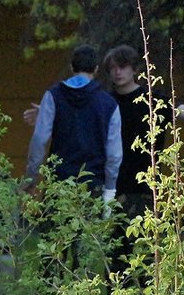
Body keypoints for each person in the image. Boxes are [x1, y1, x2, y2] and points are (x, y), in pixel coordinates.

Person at [25, 44, 184, 211]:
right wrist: (48, 114)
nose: (117, 73)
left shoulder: (150, 100)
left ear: (134, 69)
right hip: (111, 186)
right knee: (113, 257)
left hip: (143, 187)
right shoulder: (105, 102)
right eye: (112, 68)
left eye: (122, 67)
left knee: (143, 255)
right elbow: (78, 125)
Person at [24, 44, 123, 202]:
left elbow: (39, 140)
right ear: (96, 69)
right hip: (92, 184)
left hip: (58, 182)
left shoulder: (53, 96)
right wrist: (110, 189)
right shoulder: (109, 104)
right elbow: (114, 155)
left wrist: (31, 179)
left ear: (71, 67)